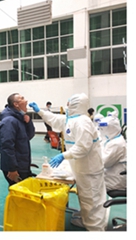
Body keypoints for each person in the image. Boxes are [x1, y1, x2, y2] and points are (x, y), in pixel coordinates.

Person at [30, 95, 106, 231]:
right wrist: (40, 111)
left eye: (69, 103)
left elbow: (83, 147)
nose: (67, 105)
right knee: (85, 197)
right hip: (81, 167)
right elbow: (54, 119)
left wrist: (64, 155)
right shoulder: (70, 119)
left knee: (92, 199)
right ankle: (87, 220)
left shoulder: (82, 122)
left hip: (90, 169)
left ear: (76, 104)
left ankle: (96, 228)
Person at [0, 93, 35, 186]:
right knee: (18, 192)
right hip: (15, 167)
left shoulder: (19, 119)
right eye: (22, 98)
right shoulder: (9, 121)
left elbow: (28, 137)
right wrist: (12, 169)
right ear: (16, 104)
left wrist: (29, 122)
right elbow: (7, 146)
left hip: (21, 164)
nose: (26, 100)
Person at [96, 112, 127, 193]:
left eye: (104, 129)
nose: (102, 131)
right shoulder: (111, 140)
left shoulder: (116, 144)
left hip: (114, 181)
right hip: (110, 176)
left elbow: (104, 162)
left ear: (112, 128)